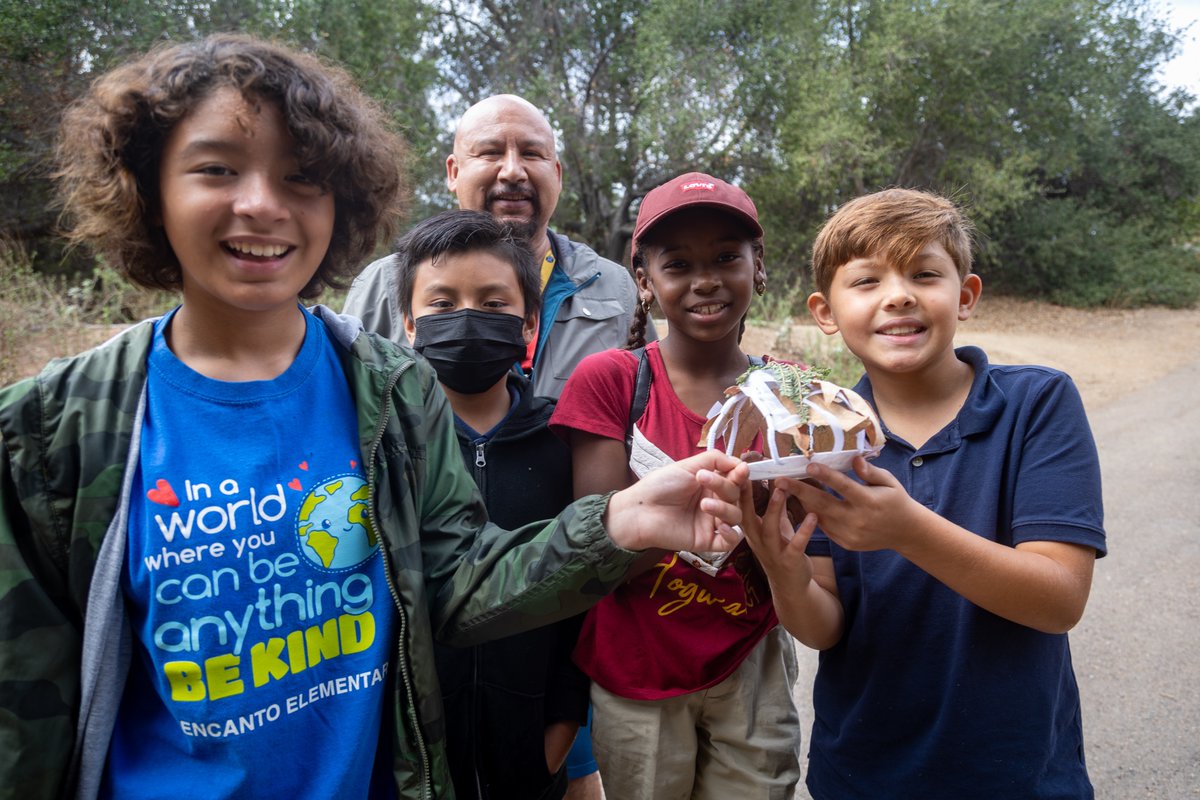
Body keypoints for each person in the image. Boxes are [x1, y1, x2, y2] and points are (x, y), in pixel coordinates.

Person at [0, 35, 754, 800]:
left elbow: (458, 584)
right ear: (148, 187)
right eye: (217, 167)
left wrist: (620, 523)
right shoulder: (50, 435)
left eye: (300, 177)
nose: (261, 203)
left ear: (341, 201)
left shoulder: (392, 393)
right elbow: (21, 720)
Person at [766, 187, 1105, 798]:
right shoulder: (816, 434)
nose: (898, 294)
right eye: (866, 281)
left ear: (965, 295)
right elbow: (824, 628)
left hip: (1016, 773)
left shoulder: (1037, 404)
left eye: (924, 273)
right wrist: (780, 568)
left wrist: (906, 530)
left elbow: (1058, 602)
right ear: (825, 312)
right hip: (863, 772)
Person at [550, 172, 808, 799]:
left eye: (726, 257)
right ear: (644, 280)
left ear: (758, 266)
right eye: (679, 263)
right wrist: (717, 511)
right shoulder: (611, 380)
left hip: (752, 661)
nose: (706, 280)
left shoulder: (791, 388)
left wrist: (772, 511)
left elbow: (803, 539)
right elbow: (602, 539)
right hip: (637, 670)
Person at [392, 208, 589, 799]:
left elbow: (583, 589)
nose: (468, 319)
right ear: (408, 324)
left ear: (530, 323)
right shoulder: (385, 445)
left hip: (534, 746)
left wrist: (562, 723)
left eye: (493, 303)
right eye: (443, 304)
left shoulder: (565, 439)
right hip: (417, 752)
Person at [342, 93, 652, 400]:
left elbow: (652, 409)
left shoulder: (615, 289)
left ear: (556, 175)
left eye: (531, 153)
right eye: (490, 152)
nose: (513, 171)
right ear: (454, 172)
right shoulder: (383, 285)